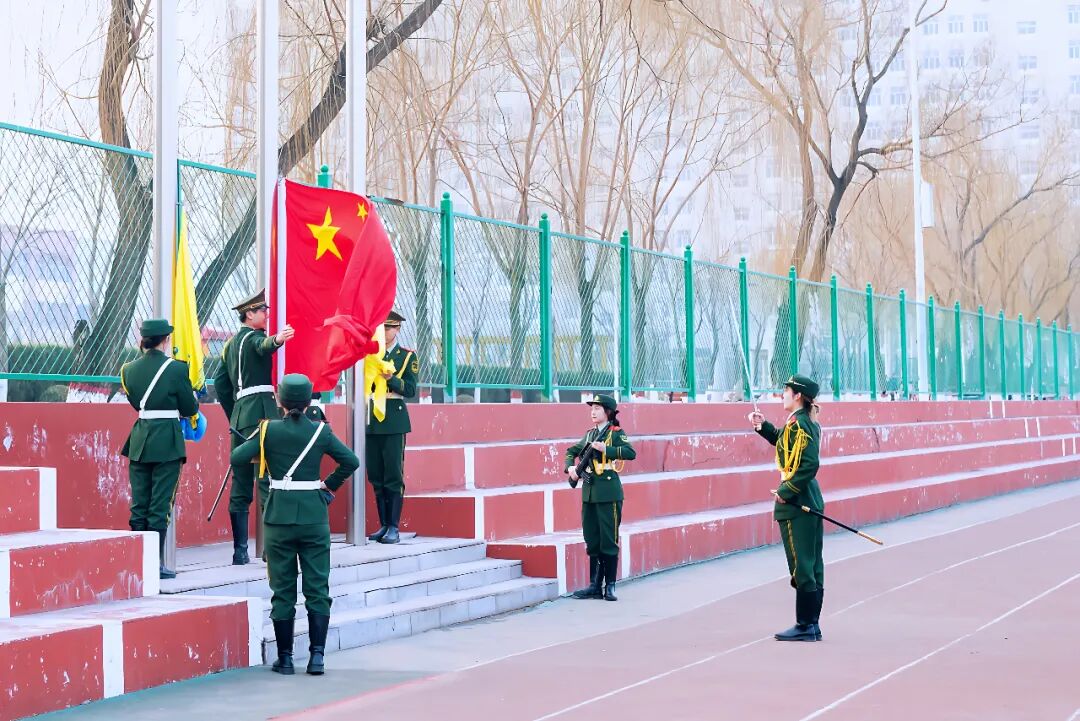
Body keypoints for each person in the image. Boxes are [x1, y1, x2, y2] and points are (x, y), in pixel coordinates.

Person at [231, 374, 359, 676]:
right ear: (309, 399)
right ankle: (317, 658)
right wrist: (329, 485)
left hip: (279, 518)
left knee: (283, 589)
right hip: (314, 516)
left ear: (280, 400)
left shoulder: (268, 431)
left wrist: (262, 447)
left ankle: (286, 659)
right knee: (317, 587)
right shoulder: (321, 432)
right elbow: (351, 461)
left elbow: (237, 457)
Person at [213, 289, 294, 565]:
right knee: (267, 478)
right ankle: (271, 547)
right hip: (261, 415)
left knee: (241, 482)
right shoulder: (254, 338)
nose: (266, 315)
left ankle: (240, 551)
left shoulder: (229, 345)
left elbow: (221, 384)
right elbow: (263, 346)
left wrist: (235, 413)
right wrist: (278, 340)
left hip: (240, 417)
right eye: (262, 311)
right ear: (249, 314)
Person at [120, 318, 199, 580]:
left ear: (142, 340)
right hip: (167, 441)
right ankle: (154, 566)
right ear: (165, 340)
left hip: (140, 440)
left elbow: (137, 404)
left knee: (139, 503)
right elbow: (189, 407)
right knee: (160, 505)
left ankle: (138, 564)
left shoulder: (128, 370)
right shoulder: (176, 368)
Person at [749, 374, 825, 642]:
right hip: (806, 498)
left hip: (798, 501)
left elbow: (809, 464)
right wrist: (763, 427)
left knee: (802, 564)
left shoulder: (801, 424)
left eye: (786, 391)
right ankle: (811, 625)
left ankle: (805, 625)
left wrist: (786, 491)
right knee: (811, 564)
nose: (782, 395)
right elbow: (783, 440)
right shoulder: (798, 422)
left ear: (798, 396)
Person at [563, 394, 636, 601]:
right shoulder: (589, 434)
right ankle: (594, 585)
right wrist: (570, 468)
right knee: (592, 539)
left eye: (597, 408)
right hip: (589, 493)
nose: (593, 412)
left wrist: (607, 449)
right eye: (592, 408)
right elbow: (571, 452)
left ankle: (609, 585)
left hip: (608, 493)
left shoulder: (615, 433)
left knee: (609, 541)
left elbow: (630, 453)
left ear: (608, 412)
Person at [365, 310, 418, 544]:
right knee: (376, 474)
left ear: (397, 330)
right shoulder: (369, 353)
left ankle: (394, 526)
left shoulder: (406, 356)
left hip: (393, 418)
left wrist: (391, 379)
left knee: (393, 474)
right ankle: (384, 524)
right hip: (372, 418)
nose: (385, 332)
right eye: (382, 328)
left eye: (389, 328)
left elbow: (410, 389)